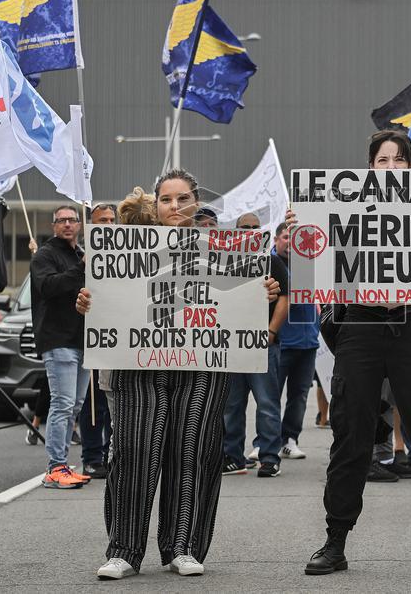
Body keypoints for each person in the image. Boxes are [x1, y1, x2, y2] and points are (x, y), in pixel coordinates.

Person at [79, 177, 280, 579]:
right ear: (154, 206)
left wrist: (265, 291)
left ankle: (182, 546)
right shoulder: (127, 248)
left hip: (203, 362)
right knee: (135, 451)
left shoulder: (224, 251)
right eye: (166, 199)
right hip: (139, 364)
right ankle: (124, 550)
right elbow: (107, 300)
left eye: (182, 198)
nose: (174, 206)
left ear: (196, 202)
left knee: (193, 451)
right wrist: (88, 301)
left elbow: (239, 300)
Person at [298, 130, 411, 576]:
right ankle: (335, 540)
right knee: (351, 435)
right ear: (370, 168)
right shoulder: (344, 210)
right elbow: (315, 263)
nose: (391, 167)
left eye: (399, 160)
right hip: (359, 325)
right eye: (382, 160)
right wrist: (305, 226)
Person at [222, 211, 289, 478]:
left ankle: (270, 457)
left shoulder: (271, 262)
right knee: (231, 404)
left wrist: (271, 332)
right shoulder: (225, 263)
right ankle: (233, 457)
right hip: (232, 346)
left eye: (254, 227)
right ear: (235, 232)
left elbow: (285, 298)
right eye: (243, 227)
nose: (249, 230)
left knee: (267, 403)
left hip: (263, 345)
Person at [31, 205, 90, 490]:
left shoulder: (81, 255)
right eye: (62, 220)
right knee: (63, 404)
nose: (67, 224)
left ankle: (63, 464)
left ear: (79, 224)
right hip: (58, 339)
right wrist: (81, 269)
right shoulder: (45, 254)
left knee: (74, 405)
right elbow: (48, 287)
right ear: (53, 225)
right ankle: (55, 467)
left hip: (83, 341)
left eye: (72, 219)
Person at [273, 221, 321, 460]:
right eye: (285, 237)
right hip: (282, 341)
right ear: (275, 240)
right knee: (271, 395)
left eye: (295, 238)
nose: (290, 243)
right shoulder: (270, 264)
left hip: (308, 342)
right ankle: (267, 443)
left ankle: (289, 439)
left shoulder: (311, 263)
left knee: (299, 395)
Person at [78, 203, 117, 479]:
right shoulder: (81, 257)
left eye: (112, 219)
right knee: (94, 403)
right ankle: (92, 456)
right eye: (101, 220)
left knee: (116, 401)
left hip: (123, 340)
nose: (108, 224)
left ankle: (111, 453)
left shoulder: (130, 252)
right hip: (91, 339)